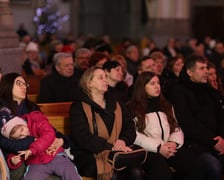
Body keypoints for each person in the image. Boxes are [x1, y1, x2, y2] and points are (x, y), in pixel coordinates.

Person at [127, 71, 205, 180]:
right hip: (148, 150)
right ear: (142, 87)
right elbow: (134, 135)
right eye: (152, 84)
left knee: (194, 163)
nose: (157, 86)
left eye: (158, 83)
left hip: (169, 147)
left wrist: (173, 142)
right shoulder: (132, 108)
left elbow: (176, 127)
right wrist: (159, 147)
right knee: (162, 172)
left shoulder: (166, 105)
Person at [69, 66, 143, 180]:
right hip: (89, 153)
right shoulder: (78, 107)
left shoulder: (116, 103)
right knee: (113, 175)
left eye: (105, 77)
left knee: (136, 172)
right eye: (100, 77)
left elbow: (129, 125)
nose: (105, 80)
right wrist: (111, 147)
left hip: (118, 152)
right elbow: (83, 137)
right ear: (89, 83)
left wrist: (123, 141)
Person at [0, 72, 69, 180]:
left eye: (25, 84)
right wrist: (36, 141)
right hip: (15, 159)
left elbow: (48, 128)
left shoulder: (31, 107)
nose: (24, 87)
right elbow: (4, 142)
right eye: (19, 83)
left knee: (64, 170)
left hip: (39, 153)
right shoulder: (2, 110)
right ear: (8, 85)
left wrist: (60, 140)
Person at [169, 54, 224, 180]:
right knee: (213, 166)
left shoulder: (211, 91)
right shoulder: (179, 91)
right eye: (201, 69)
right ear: (190, 72)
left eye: (206, 68)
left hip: (219, 142)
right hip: (195, 146)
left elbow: (221, 118)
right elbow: (188, 123)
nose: (206, 72)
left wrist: (221, 138)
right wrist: (213, 141)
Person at [0, 107, 81, 180]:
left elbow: (48, 134)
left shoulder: (36, 121)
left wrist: (33, 149)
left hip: (55, 155)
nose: (24, 134)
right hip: (36, 162)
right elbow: (16, 151)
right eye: (19, 136)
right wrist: (12, 161)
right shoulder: (14, 141)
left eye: (22, 129)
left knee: (70, 173)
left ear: (22, 122)